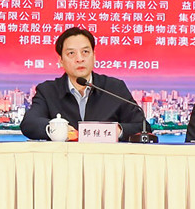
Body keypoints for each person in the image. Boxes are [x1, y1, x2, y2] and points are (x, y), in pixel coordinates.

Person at [20, 27, 148, 141]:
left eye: (85, 52)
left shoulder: (114, 88)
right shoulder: (48, 91)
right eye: (71, 53)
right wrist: (56, 129)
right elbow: (29, 124)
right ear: (61, 60)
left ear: (94, 56)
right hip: (63, 158)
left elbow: (143, 127)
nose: (80, 59)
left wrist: (117, 131)